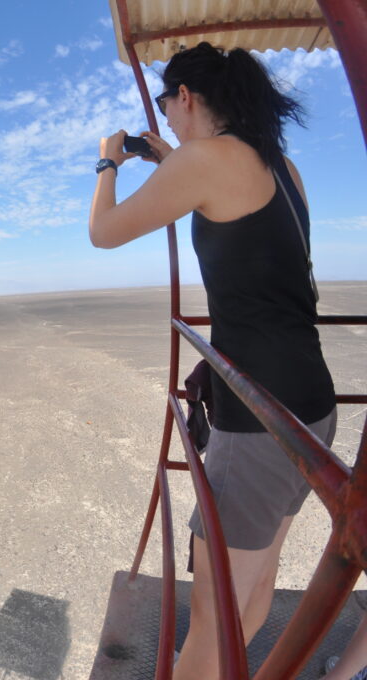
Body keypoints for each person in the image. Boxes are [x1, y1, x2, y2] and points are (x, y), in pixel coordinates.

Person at [88, 42, 337, 679]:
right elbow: (212, 184)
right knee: (252, 589)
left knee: (212, 605)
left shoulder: (203, 160)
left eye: (169, 105)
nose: (167, 118)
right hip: (311, 407)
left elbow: (105, 231)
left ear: (188, 98)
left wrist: (107, 164)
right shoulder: (280, 165)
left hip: (257, 418)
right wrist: (164, 156)